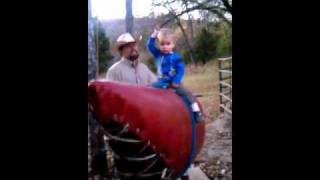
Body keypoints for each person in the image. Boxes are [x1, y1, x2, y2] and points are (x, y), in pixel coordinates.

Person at [147, 28, 203, 123]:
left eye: (168, 44)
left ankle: (197, 112)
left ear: (173, 44)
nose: (165, 46)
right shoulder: (158, 54)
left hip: (173, 82)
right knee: (148, 89)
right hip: (161, 82)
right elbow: (149, 46)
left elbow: (180, 70)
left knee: (187, 94)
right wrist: (153, 36)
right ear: (159, 45)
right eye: (162, 44)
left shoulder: (176, 57)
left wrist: (176, 81)